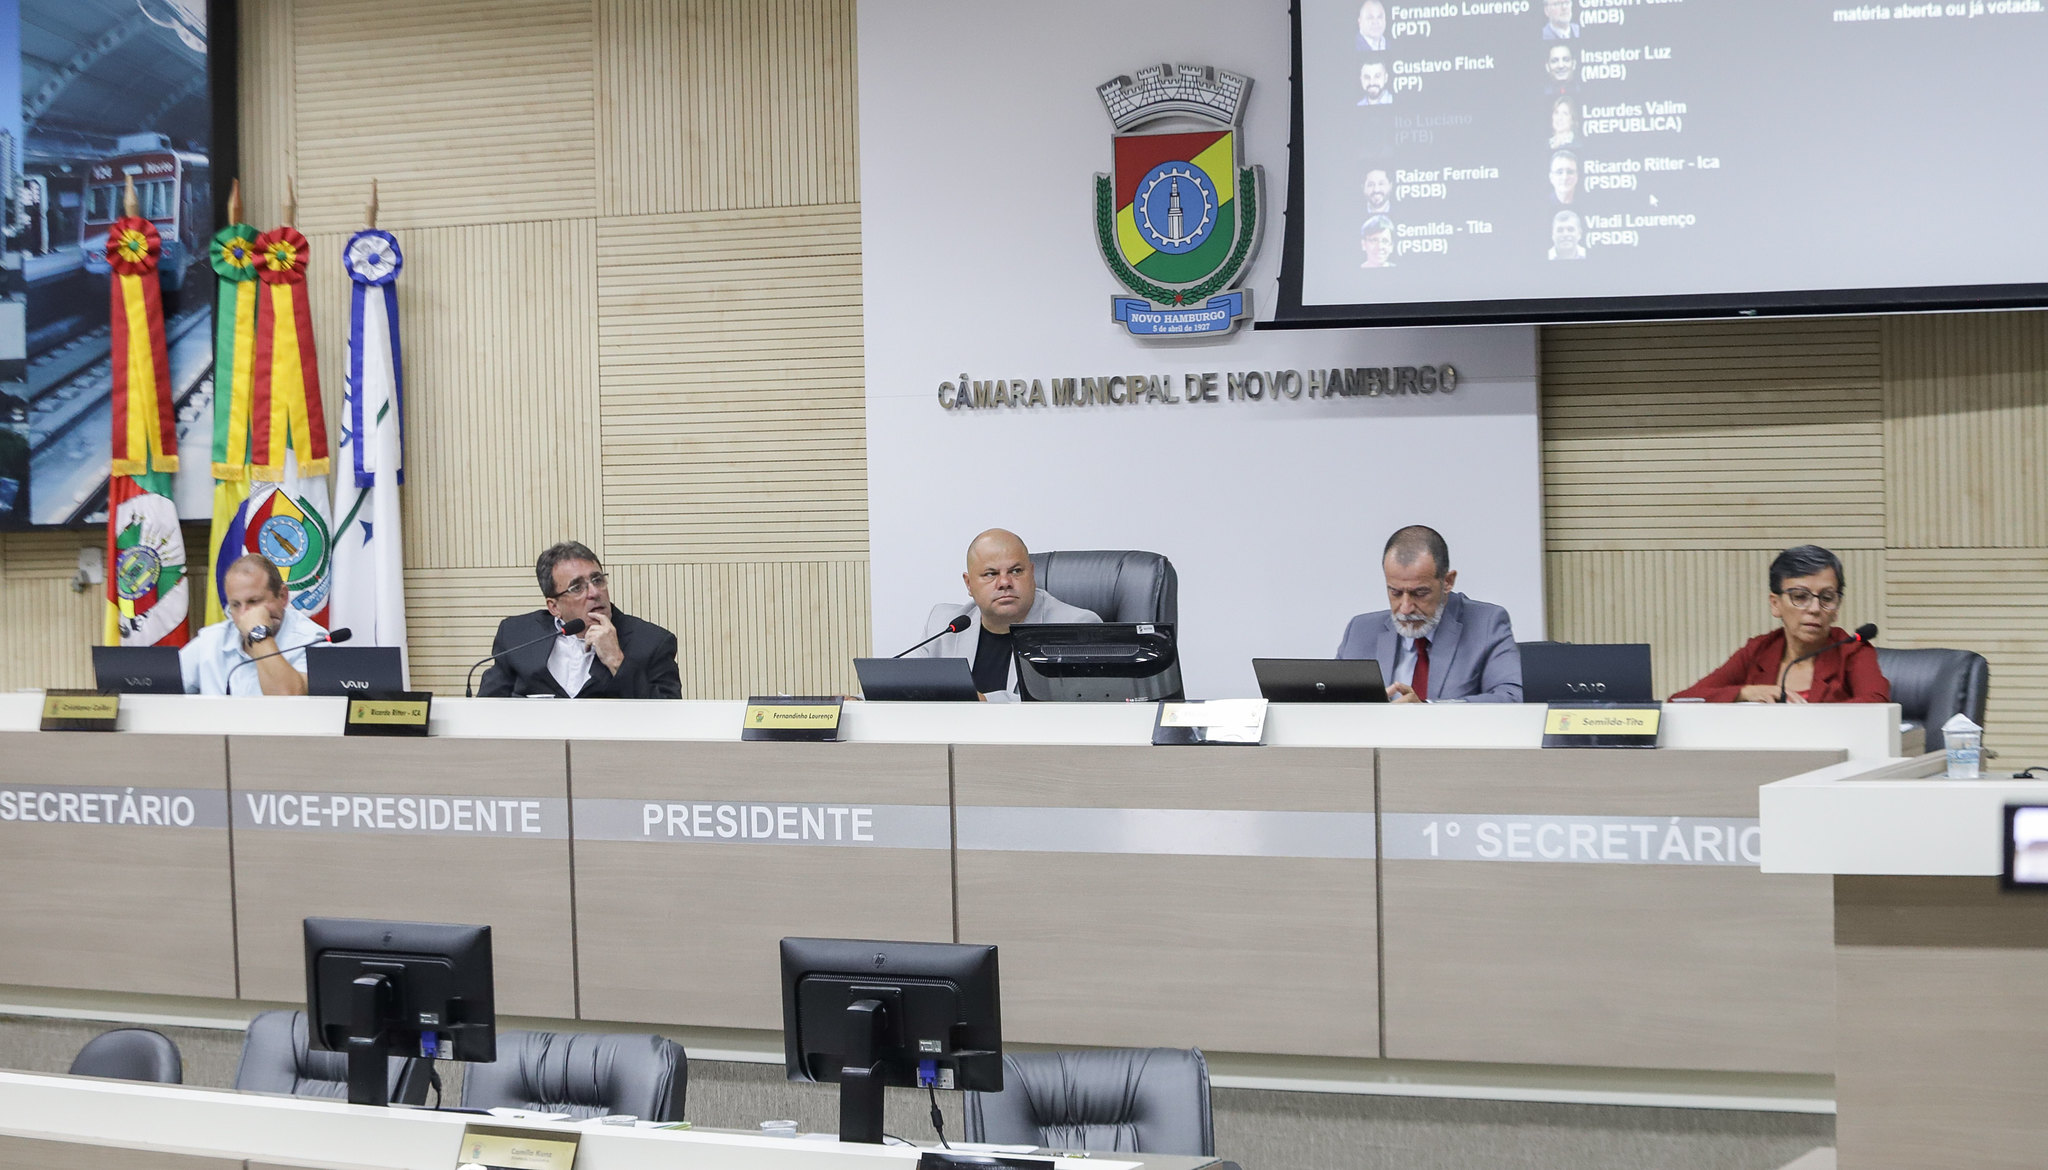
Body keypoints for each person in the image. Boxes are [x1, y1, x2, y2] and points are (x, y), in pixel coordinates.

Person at [1673, 546, 1890, 704]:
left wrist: (1808, 719)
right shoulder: (1758, 651)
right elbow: (1681, 701)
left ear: (1836, 609)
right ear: (1775, 604)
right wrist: (1745, 693)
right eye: (1800, 596)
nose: (1815, 608)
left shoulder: (1852, 651)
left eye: (1826, 598)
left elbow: (1877, 705)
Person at [1335, 525, 1522, 703]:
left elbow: (1511, 698)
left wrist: (1427, 708)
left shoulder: (1487, 624)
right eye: (1395, 593)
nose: (1406, 608)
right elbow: (1332, 701)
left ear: (1447, 581)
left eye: (1420, 593)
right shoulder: (1360, 631)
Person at [908, 529, 1100, 700]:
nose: (1004, 582)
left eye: (1016, 571)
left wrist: (984, 702)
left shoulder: (1076, 627)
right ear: (969, 584)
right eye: (991, 574)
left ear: (1032, 574)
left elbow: (1072, 700)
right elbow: (909, 685)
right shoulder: (944, 624)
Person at [477, 540, 681, 699]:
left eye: (597, 580)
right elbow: (488, 709)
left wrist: (616, 661)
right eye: (577, 587)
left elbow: (668, 718)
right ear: (554, 607)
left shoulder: (651, 642)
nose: (594, 592)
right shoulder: (517, 635)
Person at [180, 554, 323, 696]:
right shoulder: (211, 641)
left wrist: (258, 633)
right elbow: (167, 687)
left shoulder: (313, 640)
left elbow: (286, 700)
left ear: (282, 596)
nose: (244, 614)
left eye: (253, 602)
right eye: (235, 605)